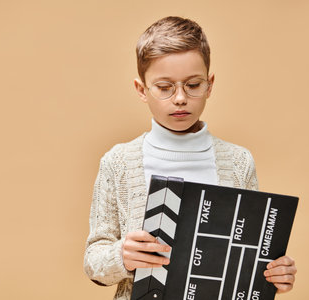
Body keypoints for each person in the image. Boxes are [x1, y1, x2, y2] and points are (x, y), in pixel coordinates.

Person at [84, 16, 297, 300]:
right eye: (164, 87)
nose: (180, 98)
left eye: (193, 85)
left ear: (209, 85)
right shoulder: (118, 162)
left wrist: (274, 273)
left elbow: (249, 252)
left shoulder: (239, 162)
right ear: (141, 90)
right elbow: (93, 260)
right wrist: (121, 256)